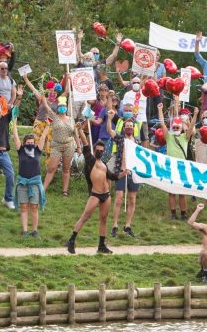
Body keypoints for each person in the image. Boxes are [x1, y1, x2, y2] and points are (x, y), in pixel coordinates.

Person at [66, 125, 126, 254]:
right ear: (94, 150)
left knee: (103, 219)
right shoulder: (90, 160)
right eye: (97, 150)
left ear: (103, 151)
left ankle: (101, 246)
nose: (99, 152)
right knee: (85, 216)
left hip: (106, 195)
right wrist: (80, 131)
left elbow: (112, 176)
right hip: (95, 194)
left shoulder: (103, 164)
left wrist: (124, 173)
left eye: (101, 150)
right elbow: (86, 144)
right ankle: (71, 240)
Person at [158, 100, 198, 220]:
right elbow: (162, 124)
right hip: (170, 166)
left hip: (181, 167)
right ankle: (173, 213)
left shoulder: (185, 137)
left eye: (177, 127)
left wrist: (195, 115)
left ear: (181, 128)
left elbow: (191, 126)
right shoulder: (168, 136)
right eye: (174, 127)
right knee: (171, 192)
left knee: (182, 192)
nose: (175, 128)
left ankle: (184, 214)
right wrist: (160, 110)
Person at [12, 117, 48, 238]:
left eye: (32, 142)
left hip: (35, 183)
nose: (30, 144)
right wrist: (14, 123)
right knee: (23, 207)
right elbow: (15, 136)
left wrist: (48, 126)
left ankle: (35, 231)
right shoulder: (21, 150)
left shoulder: (38, 150)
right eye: (28, 142)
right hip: (22, 182)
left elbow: (43, 137)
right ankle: (25, 231)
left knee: (34, 207)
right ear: (24, 143)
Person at [107, 111, 140, 238]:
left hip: (133, 173)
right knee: (119, 197)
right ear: (124, 128)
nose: (129, 128)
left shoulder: (137, 142)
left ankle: (128, 226)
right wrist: (109, 118)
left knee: (132, 199)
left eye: (131, 126)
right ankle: (114, 225)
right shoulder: (120, 138)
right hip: (121, 171)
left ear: (133, 128)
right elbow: (109, 131)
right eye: (127, 126)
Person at [41, 95, 77, 197]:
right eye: (60, 106)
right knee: (51, 168)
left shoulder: (71, 119)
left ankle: (65, 191)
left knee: (66, 169)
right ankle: (43, 190)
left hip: (69, 146)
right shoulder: (54, 117)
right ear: (58, 108)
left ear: (66, 107)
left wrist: (78, 146)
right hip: (56, 146)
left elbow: (75, 133)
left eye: (64, 106)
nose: (62, 108)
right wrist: (43, 97)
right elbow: (46, 106)